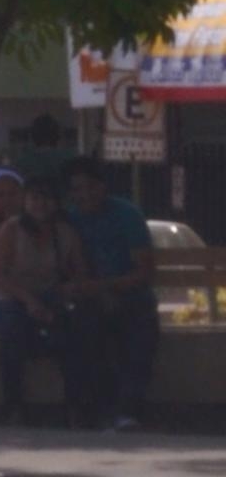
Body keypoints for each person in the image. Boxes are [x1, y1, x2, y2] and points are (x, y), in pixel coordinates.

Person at [0, 172, 98, 422]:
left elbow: (81, 274)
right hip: (8, 297)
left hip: (50, 296)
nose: (40, 205)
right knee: (13, 330)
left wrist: (69, 290)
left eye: (46, 199)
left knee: (78, 328)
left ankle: (75, 406)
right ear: (26, 201)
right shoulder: (11, 229)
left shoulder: (66, 233)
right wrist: (29, 301)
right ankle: (13, 405)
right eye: (34, 198)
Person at [62, 157, 158, 429]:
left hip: (132, 296)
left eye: (91, 187)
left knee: (140, 331)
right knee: (84, 331)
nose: (86, 195)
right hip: (90, 300)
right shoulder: (70, 219)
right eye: (77, 190)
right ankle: (95, 411)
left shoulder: (127, 215)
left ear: (104, 187)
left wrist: (107, 288)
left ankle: (128, 411)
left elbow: (145, 273)